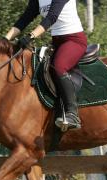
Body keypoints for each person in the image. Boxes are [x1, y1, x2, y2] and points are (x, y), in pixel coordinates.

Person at [5, 0, 87, 130]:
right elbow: (25, 18)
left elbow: (51, 17)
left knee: (59, 66)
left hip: (74, 40)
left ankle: (72, 113)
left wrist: (31, 36)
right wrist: (5, 39)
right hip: (57, 43)